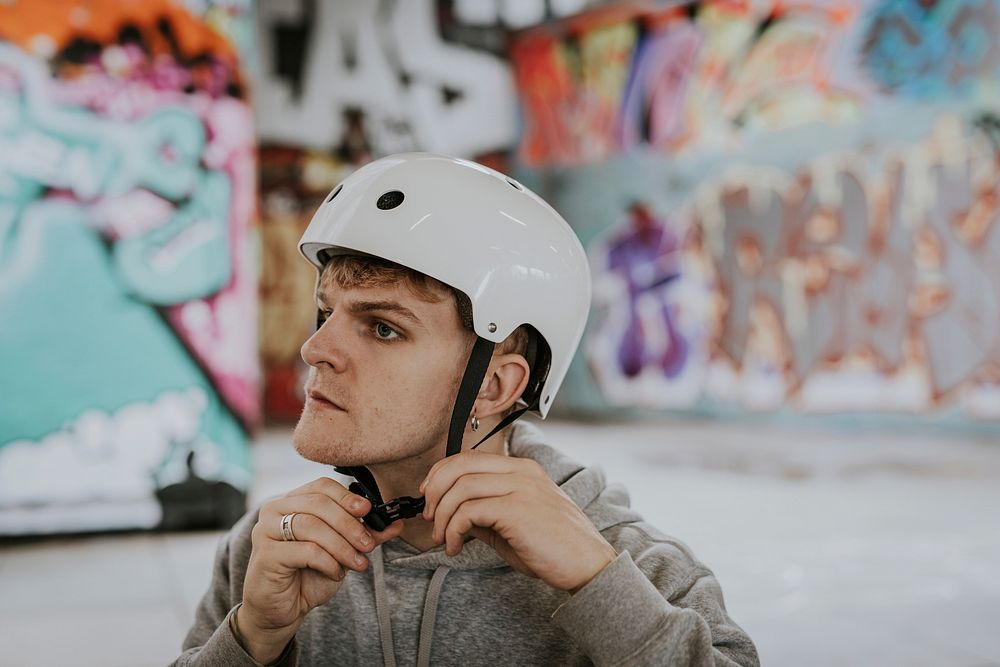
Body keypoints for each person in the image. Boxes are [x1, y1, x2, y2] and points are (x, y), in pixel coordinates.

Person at [172, 153, 758, 666]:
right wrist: (253, 638)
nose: (315, 350)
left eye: (382, 328)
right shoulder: (273, 546)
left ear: (495, 387)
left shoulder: (635, 568)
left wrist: (598, 586)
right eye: (327, 313)